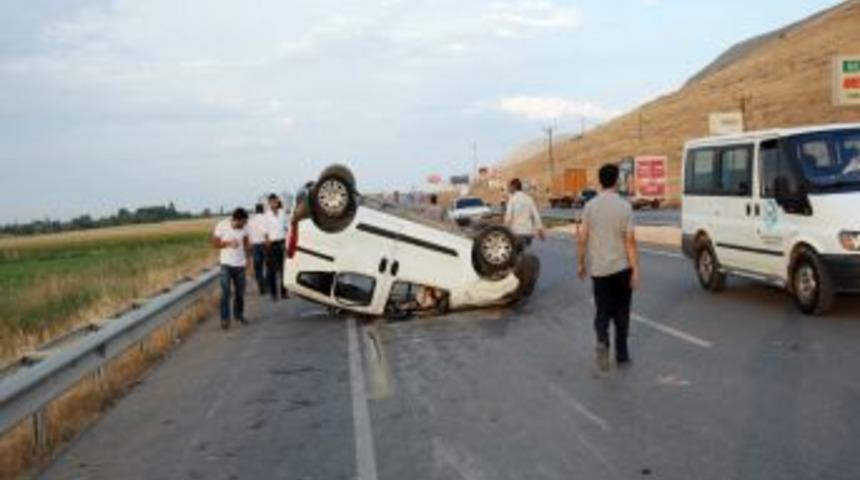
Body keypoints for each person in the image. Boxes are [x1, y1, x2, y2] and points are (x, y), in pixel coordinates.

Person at [577, 164, 641, 374]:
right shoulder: (625, 207)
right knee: (622, 312)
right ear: (616, 181)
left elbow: (582, 238)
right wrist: (635, 270)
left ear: (600, 180)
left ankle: (602, 339)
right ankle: (622, 355)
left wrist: (580, 263)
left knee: (602, 310)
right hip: (622, 268)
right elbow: (630, 241)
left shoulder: (590, 206)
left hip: (600, 270)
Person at [212, 208, 251, 330]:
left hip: (240, 265)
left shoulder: (244, 228)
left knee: (240, 293)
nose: (245, 224)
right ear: (237, 220)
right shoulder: (221, 225)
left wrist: (248, 260)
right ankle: (224, 319)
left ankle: (238, 315)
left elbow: (246, 244)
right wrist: (228, 244)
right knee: (226, 293)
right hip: (226, 265)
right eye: (243, 222)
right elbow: (214, 244)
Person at [504, 178, 545, 248]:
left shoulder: (512, 199)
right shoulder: (529, 199)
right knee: (523, 250)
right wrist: (540, 230)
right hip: (528, 233)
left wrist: (504, 231)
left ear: (514, 187)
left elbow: (508, 218)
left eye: (510, 187)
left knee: (514, 253)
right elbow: (536, 215)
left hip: (516, 233)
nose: (509, 189)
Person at [264, 194, 289, 301]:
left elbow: (287, 228)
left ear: (277, 201)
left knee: (284, 270)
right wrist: (267, 241)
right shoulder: (266, 215)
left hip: (282, 243)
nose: (273, 203)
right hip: (272, 244)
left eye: (274, 201)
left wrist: (287, 243)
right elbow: (264, 231)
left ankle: (284, 292)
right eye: (271, 202)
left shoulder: (282, 213)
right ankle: (273, 294)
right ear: (269, 203)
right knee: (272, 271)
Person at [247, 203, 268, 295]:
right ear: (262, 210)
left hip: (255, 246)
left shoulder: (251, 221)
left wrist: (249, 247)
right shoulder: (265, 219)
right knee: (268, 266)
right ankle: (266, 285)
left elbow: (248, 235)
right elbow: (266, 232)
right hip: (265, 245)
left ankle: (261, 287)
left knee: (258, 268)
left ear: (255, 210)